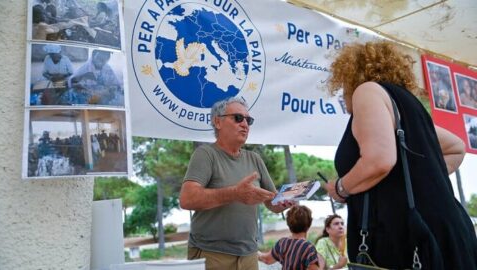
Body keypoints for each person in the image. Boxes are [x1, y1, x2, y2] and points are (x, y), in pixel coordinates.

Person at [323, 40, 477, 269]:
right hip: (447, 232)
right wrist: (421, 179)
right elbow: (456, 147)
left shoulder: (367, 90)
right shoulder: (406, 106)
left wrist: (341, 187)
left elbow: (380, 159)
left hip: (406, 240)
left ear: (350, 75)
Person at [179, 97, 294, 270]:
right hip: (211, 254)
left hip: (249, 254)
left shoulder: (254, 159)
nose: (245, 124)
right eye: (238, 118)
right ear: (217, 122)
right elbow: (187, 199)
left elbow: (272, 202)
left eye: (249, 120)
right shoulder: (206, 154)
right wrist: (235, 193)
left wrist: (285, 201)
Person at [258, 205, 325, 270]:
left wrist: (253, 251)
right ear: (309, 224)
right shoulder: (308, 247)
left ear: (288, 223)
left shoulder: (282, 243)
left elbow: (266, 259)